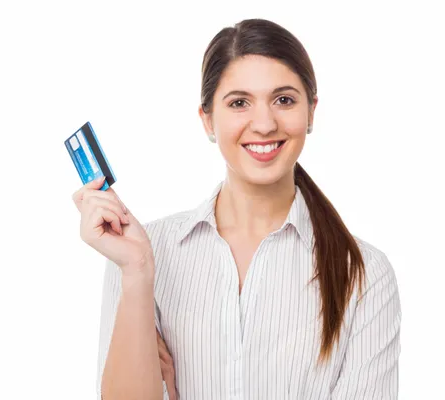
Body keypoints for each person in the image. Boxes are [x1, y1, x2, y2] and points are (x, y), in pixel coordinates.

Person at [73, 18, 401, 400]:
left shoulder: (364, 275)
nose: (263, 124)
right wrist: (137, 271)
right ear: (207, 119)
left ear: (311, 111)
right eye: (239, 103)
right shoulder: (141, 253)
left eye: (284, 100)